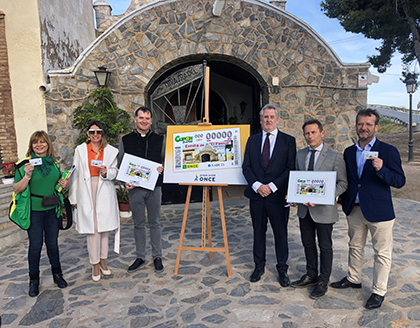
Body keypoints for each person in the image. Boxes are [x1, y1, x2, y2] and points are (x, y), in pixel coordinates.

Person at [330, 108, 405, 309]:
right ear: (356, 126)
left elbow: (399, 181)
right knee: (355, 246)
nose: (363, 128)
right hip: (354, 209)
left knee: (381, 252)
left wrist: (383, 169)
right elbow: (347, 180)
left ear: (376, 127)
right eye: (360, 124)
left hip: (379, 212)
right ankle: (354, 278)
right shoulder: (349, 151)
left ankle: (379, 291)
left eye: (368, 124)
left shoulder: (388, 151)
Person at [290, 119, 347, 298]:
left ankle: (323, 280)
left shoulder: (335, 156)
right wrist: (293, 196)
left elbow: (343, 183)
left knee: (325, 246)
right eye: (307, 133)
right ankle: (311, 274)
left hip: (324, 210)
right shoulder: (299, 155)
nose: (310, 136)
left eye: (313, 132)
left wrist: (325, 197)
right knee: (307, 243)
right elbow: (297, 180)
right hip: (304, 210)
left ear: (322, 133)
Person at [242, 104, 296, 286]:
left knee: (281, 233)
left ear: (277, 119)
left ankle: (282, 269)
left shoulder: (288, 141)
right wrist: (258, 186)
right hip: (257, 196)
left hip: (278, 197)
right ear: (260, 120)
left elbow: (290, 168)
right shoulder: (252, 140)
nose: (268, 120)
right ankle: (259, 266)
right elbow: (246, 167)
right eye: (265, 117)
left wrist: (272, 186)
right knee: (258, 232)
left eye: (272, 117)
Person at [13, 131, 69, 297]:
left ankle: (57, 274)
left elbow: (59, 184)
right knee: (35, 247)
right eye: (36, 143)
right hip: (35, 212)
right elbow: (16, 189)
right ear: (31, 146)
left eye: (42, 142)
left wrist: (64, 183)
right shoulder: (24, 165)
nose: (39, 145)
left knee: (52, 244)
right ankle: (34, 280)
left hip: (52, 209)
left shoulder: (54, 163)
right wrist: (27, 176)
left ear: (47, 144)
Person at [69, 121, 120, 282]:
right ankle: (95, 264)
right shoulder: (81, 150)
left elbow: (115, 171)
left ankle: (103, 260)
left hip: (104, 189)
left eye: (98, 131)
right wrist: (74, 197)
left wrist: (107, 173)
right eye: (92, 132)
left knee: (103, 228)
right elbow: (75, 173)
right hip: (86, 189)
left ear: (103, 133)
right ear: (88, 134)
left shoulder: (111, 151)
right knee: (92, 230)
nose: (95, 134)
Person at [118, 106, 164, 273]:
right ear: (135, 120)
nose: (144, 121)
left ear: (151, 121)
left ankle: (157, 256)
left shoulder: (160, 139)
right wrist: (124, 182)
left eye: (147, 118)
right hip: (135, 189)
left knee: (155, 222)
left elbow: (166, 161)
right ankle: (140, 256)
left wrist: (162, 168)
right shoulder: (126, 140)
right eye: (141, 118)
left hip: (154, 187)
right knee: (138, 223)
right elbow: (121, 164)